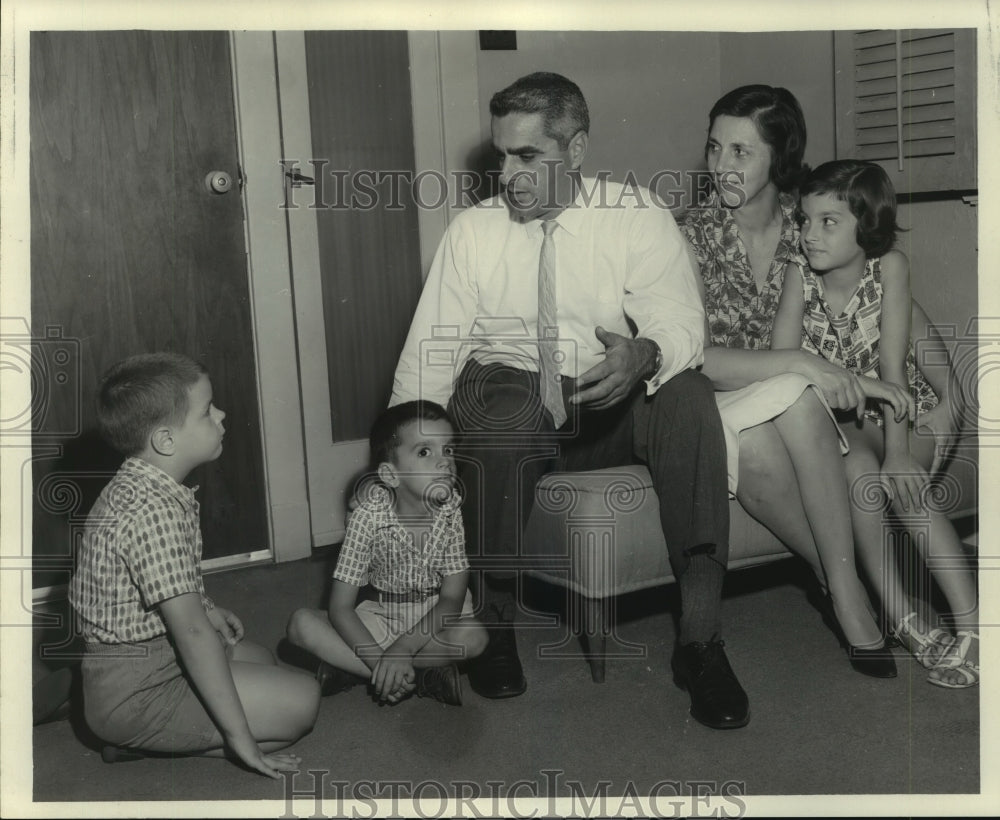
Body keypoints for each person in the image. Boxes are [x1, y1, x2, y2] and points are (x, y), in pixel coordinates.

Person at [391, 71, 750, 730]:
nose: (508, 173)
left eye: (529, 155)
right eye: (502, 154)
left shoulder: (635, 213)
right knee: (504, 416)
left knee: (690, 395)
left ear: (577, 149)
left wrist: (643, 354)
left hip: (606, 396)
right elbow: (429, 358)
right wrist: (406, 463)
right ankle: (494, 627)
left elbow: (678, 320)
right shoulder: (473, 232)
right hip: (512, 392)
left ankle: (700, 641)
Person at [679, 85, 913, 676]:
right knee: (776, 417)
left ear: (780, 158)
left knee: (797, 400)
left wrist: (941, 390)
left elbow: (883, 301)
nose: (721, 166)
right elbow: (689, 357)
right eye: (714, 148)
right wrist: (803, 364)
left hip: (798, 402)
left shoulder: (811, 225)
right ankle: (849, 590)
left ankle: (845, 588)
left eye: (741, 151)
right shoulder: (687, 233)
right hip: (714, 395)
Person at [771, 159, 979, 688]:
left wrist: (899, 452)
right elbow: (781, 360)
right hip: (845, 417)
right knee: (859, 481)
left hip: (905, 408)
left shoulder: (888, 267)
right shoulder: (799, 273)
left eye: (828, 222)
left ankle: (974, 626)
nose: (809, 234)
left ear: (867, 228)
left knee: (900, 485)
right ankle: (905, 619)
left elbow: (892, 372)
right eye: (804, 220)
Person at [68, 353, 319, 778]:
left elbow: (155, 583)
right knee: (303, 704)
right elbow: (191, 633)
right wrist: (240, 740)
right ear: (166, 440)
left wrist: (204, 604)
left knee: (265, 661)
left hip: (147, 659)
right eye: (207, 411)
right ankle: (154, 742)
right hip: (136, 692)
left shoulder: (145, 481)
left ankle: (166, 731)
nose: (221, 415)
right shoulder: (152, 511)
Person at [287, 401, 487, 706]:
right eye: (424, 452)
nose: (445, 462)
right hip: (382, 615)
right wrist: (387, 658)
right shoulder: (367, 517)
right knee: (301, 625)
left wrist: (403, 649)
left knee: (474, 638)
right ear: (391, 475)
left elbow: (452, 599)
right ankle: (418, 678)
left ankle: (355, 669)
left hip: (436, 617)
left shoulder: (450, 511)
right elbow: (340, 607)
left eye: (448, 450)